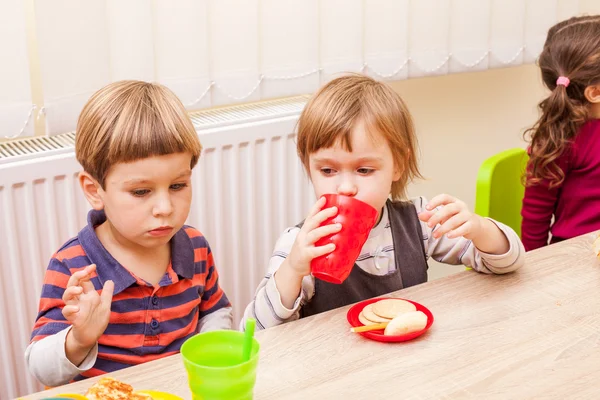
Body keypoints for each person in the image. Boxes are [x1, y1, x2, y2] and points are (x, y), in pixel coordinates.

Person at [242, 74, 524, 330]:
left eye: (364, 170)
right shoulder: (300, 243)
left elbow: (509, 263)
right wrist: (293, 269)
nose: (346, 187)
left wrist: (478, 228)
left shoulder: (419, 220)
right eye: (327, 170)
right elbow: (253, 332)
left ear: (398, 165)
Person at [26, 81, 232, 386]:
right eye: (141, 191)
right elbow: (40, 369)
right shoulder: (73, 265)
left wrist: (217, 345)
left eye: (177, 186)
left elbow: (214, 311)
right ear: (95, 190)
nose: (164, 207)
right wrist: (79, 338)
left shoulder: (195, 247)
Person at [521, 15, 600, 251]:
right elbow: (536, 216)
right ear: (595, 93)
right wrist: (533, 266)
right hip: (576, 259)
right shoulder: (560, 139)